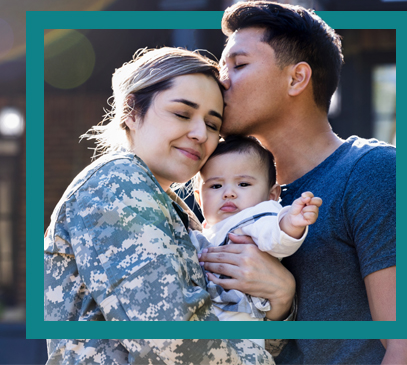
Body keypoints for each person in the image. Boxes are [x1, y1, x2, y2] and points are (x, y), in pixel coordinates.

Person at [198, 1, 407, 364]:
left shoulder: (378, 174)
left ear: (297, 78)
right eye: (221, 67)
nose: (222, 80)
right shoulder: (227, 194)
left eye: (239, 65)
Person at [43, 46, 276, 364]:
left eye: (212, 124)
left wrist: (281, 297)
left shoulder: (176, 210)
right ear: (132, 111)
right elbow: (171, 339)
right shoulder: (116, 184)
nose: (199, 134)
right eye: (182, 114)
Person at [190, 135, 322, 347]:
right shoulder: (206, 230)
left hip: (240, 320)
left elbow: (275, 238)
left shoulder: (255, 217)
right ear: (199, 197)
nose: (229, 193)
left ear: (272, 195)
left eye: (243, 184)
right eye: (215, 186)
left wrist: (291, 222)